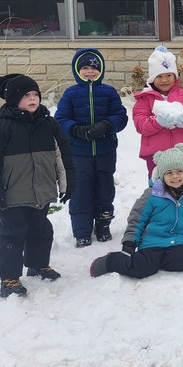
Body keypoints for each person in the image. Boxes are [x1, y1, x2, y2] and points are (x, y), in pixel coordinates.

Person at [0, 74, 75, 298]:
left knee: (41, 229)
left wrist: (68, 184)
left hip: (40, 192)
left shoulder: (48, 124)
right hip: (11, 195)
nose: (32, 99)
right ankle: (8, 278)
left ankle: (38, 265)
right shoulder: (1, 128)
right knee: (12, 234)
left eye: (35, 95)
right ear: (13, 99)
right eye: (26, 95)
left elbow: (64, 155)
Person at [89, 143, 183, 279]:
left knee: (178, 263)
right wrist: (130, 241)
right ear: (162, 175)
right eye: (169, 173)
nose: (175, 176)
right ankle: (111, 261)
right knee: (142, 268)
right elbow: (137, 218)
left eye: (179, 171)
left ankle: (157, 261)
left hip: (179, 240)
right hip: (153, 240)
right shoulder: (152, 195)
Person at [54, 48, 129, 247]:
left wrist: (106, 125)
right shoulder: (70, 94)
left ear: (101, 70)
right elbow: (60, 119)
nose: (89, 72)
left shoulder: (109, 92)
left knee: (105, 189)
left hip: (105, 151)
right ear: (77, 70)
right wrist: (76, 130)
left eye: (93, 68)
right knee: (81, 191)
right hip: (78, 153)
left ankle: (103, 225)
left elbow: (121, 117)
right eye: (85, 68)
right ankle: (82, 231)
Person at [133, 45, 183, 181]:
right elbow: (140, 125)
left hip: (181, 152)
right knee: (157, 186)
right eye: (159, 76)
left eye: (168, 75)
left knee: (181, 184)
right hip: (155, 153)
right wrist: (157, 122)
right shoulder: (145, 98)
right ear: (152, 78)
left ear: (175, 76)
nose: (164, 80)